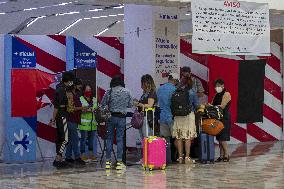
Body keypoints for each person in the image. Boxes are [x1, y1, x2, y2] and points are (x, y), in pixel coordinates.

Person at [101, 75, 133, 170]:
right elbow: (130, 104)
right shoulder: (127, 91)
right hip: (121, 118)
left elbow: (103, 104)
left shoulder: (109, 91)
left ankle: (107, 162)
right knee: (120, 139)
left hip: (111, 117)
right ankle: (119, 162)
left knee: (109, 139)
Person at [172, 77, 200, 164]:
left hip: (177, 116)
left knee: (179, 137)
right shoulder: (192, 92)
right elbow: (197, 105)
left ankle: (180, 157)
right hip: (188, 116)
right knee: (187, 137)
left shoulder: (176, 91)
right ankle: (187, 157)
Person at [51, 71, 74, 168]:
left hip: (61, 115)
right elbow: (57, 106)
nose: (72, 82)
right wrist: (53, 118)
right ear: (68, 80)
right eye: (71, 80)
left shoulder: (60, 88)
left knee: (61, 138)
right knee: (65, 138)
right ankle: (58, 157)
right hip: (62, 115)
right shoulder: (62, 90)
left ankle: (59, 160)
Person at [157, 73, 179, 164]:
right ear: (175, 80)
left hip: (162, 116)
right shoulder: (175, 89)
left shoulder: (160, 89)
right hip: (172, 116)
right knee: (176, 137)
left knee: (165, 139)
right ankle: (177, 157)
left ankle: (166, 159)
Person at [65, 78, 86, 166]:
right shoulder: (69, 94)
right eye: (79, 85)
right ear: (74, 85)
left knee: (70, 140)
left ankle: (68, 157)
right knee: (75, 139)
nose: (80, 87)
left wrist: (82, 109)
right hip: (70, 120)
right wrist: (82, 108)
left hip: (74, 119)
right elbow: (70, 109)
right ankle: (77, 158)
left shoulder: (75, 94)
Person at [212, 79, 231, 162]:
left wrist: (214, 106)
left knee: (223, 138)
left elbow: (222, 106)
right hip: (218, 118)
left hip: (224, 118)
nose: (217, 87)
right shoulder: (216, 95)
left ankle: (226, 155)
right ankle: (221, 156)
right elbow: (212, 103)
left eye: (218, 85)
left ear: (223, 85)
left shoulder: (227, 94)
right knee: (219, 138)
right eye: (216, 86)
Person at [79, 84, 98, 162]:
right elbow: (79, 110)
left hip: (93, 124)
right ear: (83, 91)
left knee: (91, 140)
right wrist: (86, 110)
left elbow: (96, 109)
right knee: (83, 140)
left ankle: (91, 154)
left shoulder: (94, 99)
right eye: (87, 90)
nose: (88, 91)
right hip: (84, 124)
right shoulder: (80, 99)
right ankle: (82, 155)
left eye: (89, 90)